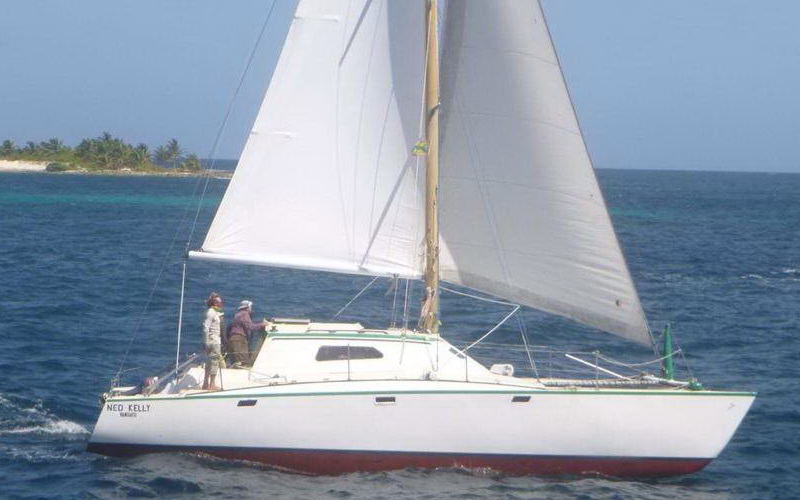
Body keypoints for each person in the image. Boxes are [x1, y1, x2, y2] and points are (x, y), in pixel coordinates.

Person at [226, 300, 267, 367]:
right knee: (242, 362)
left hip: (234, 339)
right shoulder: (244, 314)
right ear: (247, 307)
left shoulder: (237, 314)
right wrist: (262, 324)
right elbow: (250, 327)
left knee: (236, 360)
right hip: (239, 339)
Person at [202, 292, 225, 390]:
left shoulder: (215, 312)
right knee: (214, 361)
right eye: (220, 302)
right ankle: (211, 384)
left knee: (209, 362)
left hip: (213, 340)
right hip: (213, 341)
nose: (221, 304)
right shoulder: (211, 312)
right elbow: (205, 327)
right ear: (215, 303)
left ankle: (205, 383)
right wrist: (206, 341)